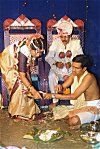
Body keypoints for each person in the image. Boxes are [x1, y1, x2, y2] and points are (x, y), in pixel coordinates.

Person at [44, 54, 100, 126]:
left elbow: (74, 96)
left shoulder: (89, 78)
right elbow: (63, 87)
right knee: (55, 113)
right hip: (80, 106)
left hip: (93, 108)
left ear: (84, 69)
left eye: (76, 68)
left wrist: (53, 95)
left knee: (73, 121)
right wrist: (59, 87)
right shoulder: (74, 74)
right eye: (72, 66)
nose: (73, 70)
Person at [0, 34, 45, 120]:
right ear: (31, 49)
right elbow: (22, 75)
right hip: (8, 64)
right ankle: (16, 113)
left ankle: (29, 111)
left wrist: (30, 87)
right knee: (20, 84)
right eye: (37, 52)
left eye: (41, 52)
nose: (39, 55)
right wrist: (33, 90)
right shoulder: (23, 52)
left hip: (16, 63)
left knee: (27, 82)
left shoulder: (30, 47)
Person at [45, 20, 83, 109]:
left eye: (66, 37)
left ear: (70, 35)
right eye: (61, 37)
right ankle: (55, 100)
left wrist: (72, 64)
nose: (63, 39)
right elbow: (48, 58)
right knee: (51, 76)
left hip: (71, 71)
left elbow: (81, 58)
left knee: (77, 76)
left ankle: (73, 103)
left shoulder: (76, 43)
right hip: (57, 70)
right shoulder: (55, 43)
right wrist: (56, 63)